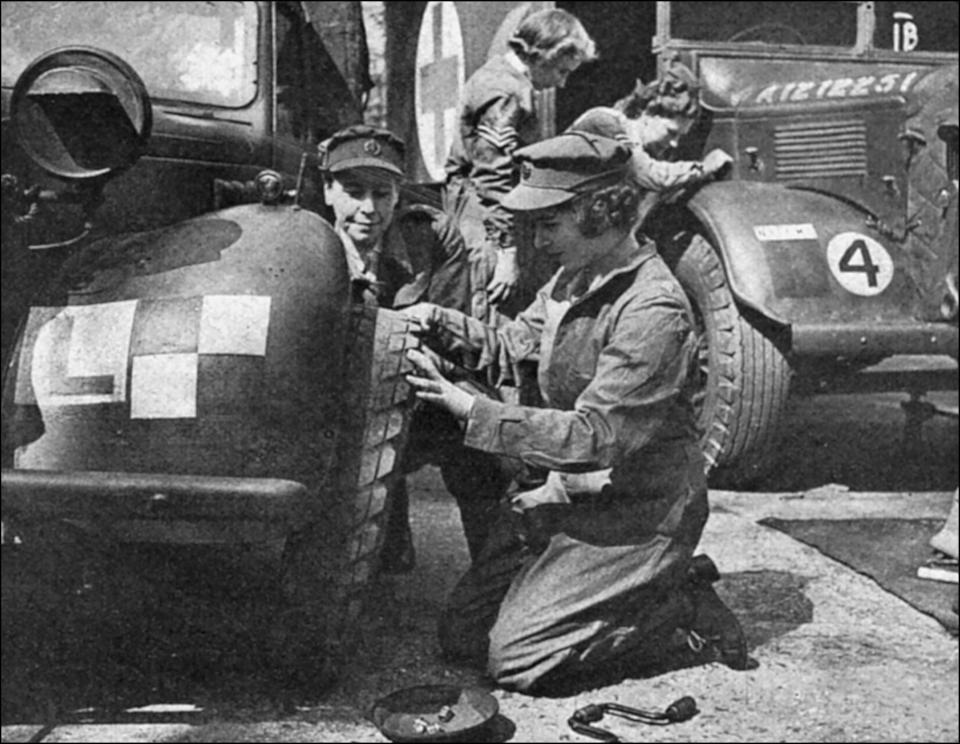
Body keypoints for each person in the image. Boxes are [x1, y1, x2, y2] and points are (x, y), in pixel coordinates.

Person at [402, 131, 748, 694]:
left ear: (600, 211)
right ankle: (602, 589)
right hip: (577, 495)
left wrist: (471, 410)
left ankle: (676, 604)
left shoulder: (653, 307)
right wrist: (439, 322)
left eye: (549, 224)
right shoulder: (573, 278)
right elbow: (513, 345)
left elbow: (597, 436)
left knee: (516, 660)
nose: (537, 241)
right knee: (464, 638)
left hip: (639, 511)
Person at [318, 124, 510, 571]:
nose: (369, 209)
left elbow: (454, 340)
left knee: (487, 445)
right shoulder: (307, 243)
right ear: (328, 190)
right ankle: (383, 536)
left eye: (382, 194)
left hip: (415, 389)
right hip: (335, 401)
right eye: (353, 191)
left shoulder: (430, 236)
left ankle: (497, 579)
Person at [443, 8, 597, 324]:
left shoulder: (502, 79)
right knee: (492, 318)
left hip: (489, 216)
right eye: (561, 71)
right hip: (485, 222)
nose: (563, 83)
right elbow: (493, 176)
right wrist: (506, 254)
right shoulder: (505, 91)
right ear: (542, 56)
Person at [567, 63, 733, 227]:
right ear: (647, 113)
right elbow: (647, 174)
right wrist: (703, 167)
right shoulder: (605, 123)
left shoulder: (642, 149)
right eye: (671, 132)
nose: (674, 143)